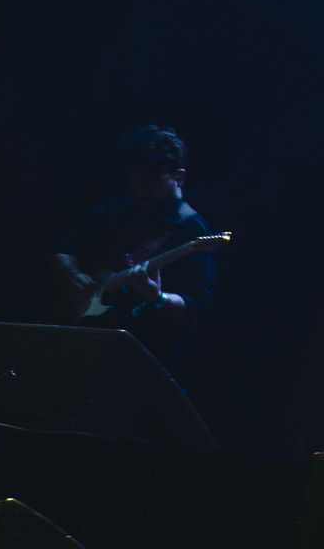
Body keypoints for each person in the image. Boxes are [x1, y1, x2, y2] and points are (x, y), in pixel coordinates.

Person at [48, 125, 217, 372]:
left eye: (153, 182)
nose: (142, 190)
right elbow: (64, 249)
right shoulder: (115, 210)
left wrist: (156, 296)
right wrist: (73, 276)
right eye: (137, 182)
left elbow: (196, 307)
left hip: (141, 358)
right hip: (81, 340)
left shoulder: (193, 230)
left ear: (179, 177)